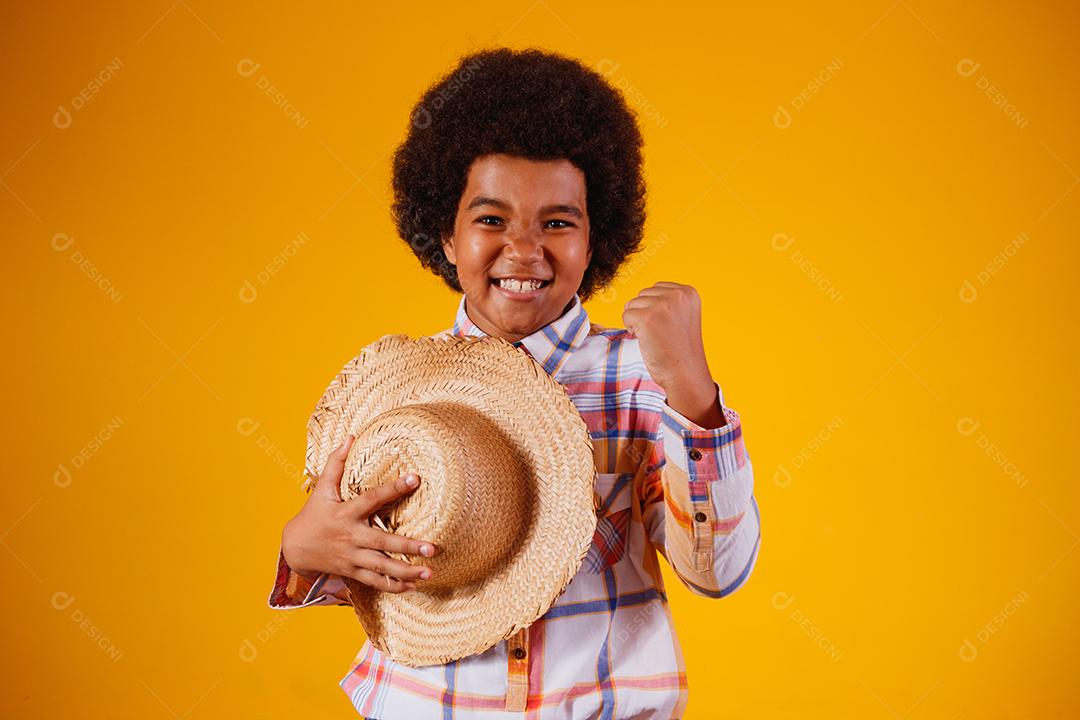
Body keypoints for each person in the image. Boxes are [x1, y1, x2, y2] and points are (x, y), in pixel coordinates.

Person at [269, 46, 760, 719]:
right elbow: (357, 565)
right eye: (491, 220)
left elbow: (718, 573)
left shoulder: (642, 379)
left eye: (557, 222)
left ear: (596, 241)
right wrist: (302, 550)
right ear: (445, 234)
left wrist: (694, 394)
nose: (524, 250)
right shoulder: (392, 395)